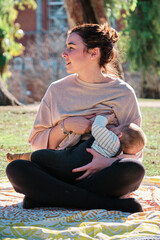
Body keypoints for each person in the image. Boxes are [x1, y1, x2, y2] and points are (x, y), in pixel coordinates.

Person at [6, 23, 145, 213]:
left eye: (71, 48)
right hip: (60, 170)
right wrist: (65, 126)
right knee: (17, 169)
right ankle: (107, 203)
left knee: (134, 170)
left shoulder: (123, 93)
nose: (64, 53)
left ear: (93, 53)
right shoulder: (57, 90)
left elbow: (135, 149)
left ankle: (48, 197)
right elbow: (37, 145)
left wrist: (106, 163)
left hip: (102, 173)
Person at [6, 113, 146, 162]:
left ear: (119, 134)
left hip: (75, 158)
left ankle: (19, 157)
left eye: (118, 127)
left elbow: (97, 128)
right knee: (44, 159)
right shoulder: (118, 152)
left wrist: (105, 118)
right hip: (80, 163)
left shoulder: (112, 140)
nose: (114, 128)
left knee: (45, 157)